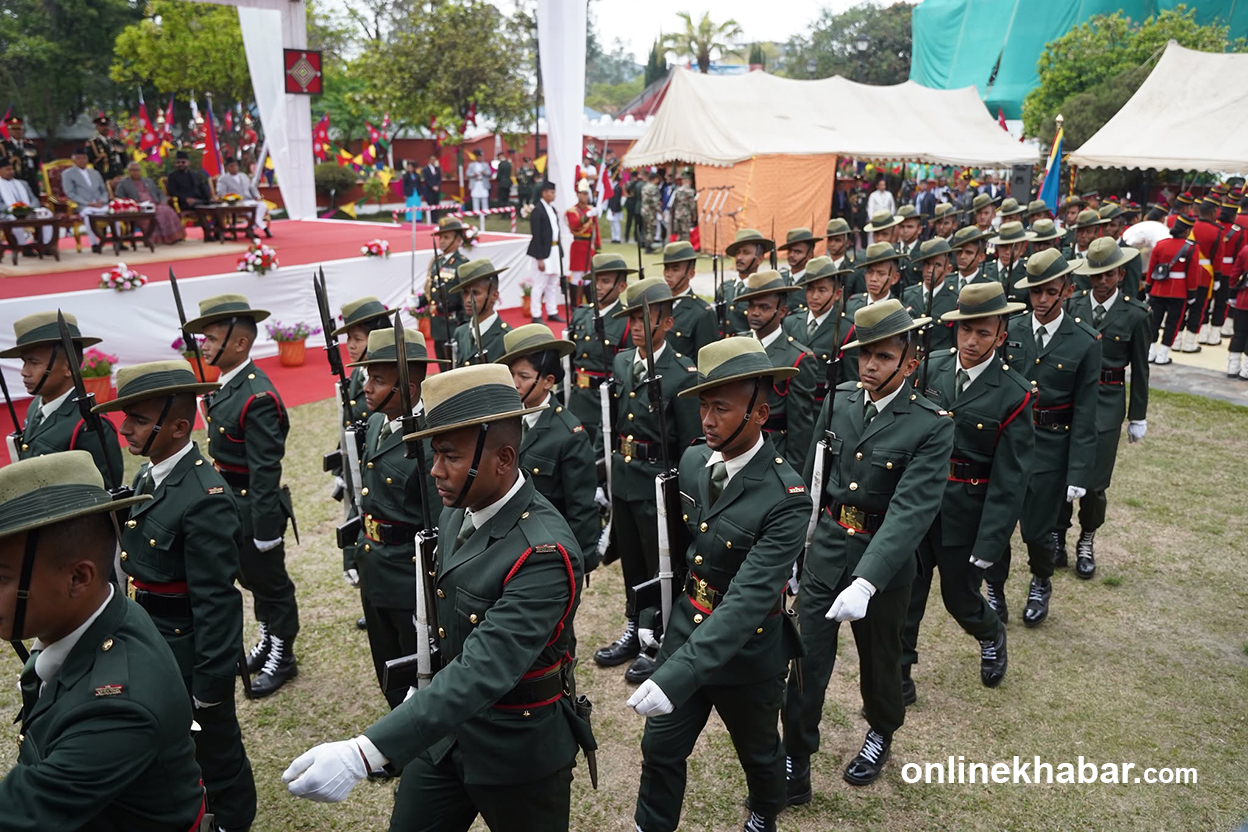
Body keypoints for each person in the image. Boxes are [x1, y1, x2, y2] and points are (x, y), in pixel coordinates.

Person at [283, 364, 593, 832]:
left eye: (449, 455)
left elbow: (484, 668)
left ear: (503, 459)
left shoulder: (543, 553)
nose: (435, 470)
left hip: (516, 747)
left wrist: (363, 753)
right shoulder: (458, 510)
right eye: (434, 454)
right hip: (445, 732)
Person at [630, 338, 810, 832]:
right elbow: (684, 554)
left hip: (748, 651)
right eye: (704, 406)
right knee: (659, 746)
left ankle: (765, 812)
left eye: (721, 408)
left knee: (759, 752)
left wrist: (675, 676)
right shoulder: (693, 462)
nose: (707, 420)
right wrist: (654, 613)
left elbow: (748, 602)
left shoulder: (787, 498)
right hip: (687, 628)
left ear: (760, 414)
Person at [783, 299, 954, 800]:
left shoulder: (931, 424)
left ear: (910, 361)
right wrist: (795, 548)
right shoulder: (839, 401)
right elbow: (814, 480)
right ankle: (796, 757)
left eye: (883, 356)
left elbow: (910, 512)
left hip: (883, 563)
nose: (870, 366)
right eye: (864, 354)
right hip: (827, 549)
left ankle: (881, 729)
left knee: (881, 661)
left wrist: (867, 581)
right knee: (805, 658)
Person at [0, 451, 209, 831]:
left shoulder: (115, 708)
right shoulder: (103, 611)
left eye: (1, 578)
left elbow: (21, 814)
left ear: (78, 578)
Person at [93, 360, 257, 830]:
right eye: (127, 417)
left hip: (187, 648)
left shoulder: (204, 497)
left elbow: (217, 603)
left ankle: (232, 819)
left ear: (179, 427)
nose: (125, 428)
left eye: (139, 419)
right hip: (152, 638)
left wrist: (210, 685)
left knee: (213, 746)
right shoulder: (152, 476)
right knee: (174, 742)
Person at [901, 283, 1032, 702]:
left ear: (1001, 335)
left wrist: (991, 542)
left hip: (967, 513)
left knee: (959, 598)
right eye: (965, 330)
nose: (971, 341)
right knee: (906, 594)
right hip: (920, 503)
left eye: (983, 332)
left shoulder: (1013, 393)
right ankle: (900, 676)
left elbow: (1010, 479)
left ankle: (990, 632)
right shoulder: (930, 368)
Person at [185, 294, 299, 697]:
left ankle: (283, 654)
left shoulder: (257, 395)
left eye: (212, 339)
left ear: (240, 343)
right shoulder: (227, 386)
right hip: (232, 504)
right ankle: (268, 638)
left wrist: (265, 529)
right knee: (252, 581)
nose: (204, 347)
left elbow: (265, 469)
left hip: (254, 507)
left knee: (272, 584)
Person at [592, 278, 701, 684]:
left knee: (662, 566)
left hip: (658, 482)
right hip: (625, 478)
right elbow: (613, 421)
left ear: (667, 322)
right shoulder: (622, 362)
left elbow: (691, 444)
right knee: (633, 561)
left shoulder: (682, 373)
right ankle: (634, 627)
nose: (636, 326)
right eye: (631, 319)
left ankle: (659, 637)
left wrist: (684, 496)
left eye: (645, 318)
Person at [983, 250, 1100, 627]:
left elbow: (1086, 412)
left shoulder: (1084, 341)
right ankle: (994, 590)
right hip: (1007, 444)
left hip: (1051, 447)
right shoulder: (1012, 329)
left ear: (1068, 290)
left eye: (1051, 291)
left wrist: (1078, 472)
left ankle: (1040, 580)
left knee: (1038, 530)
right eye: (1036, 292)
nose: (1043, 299)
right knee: (996, 525)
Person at [345, 327, 442, 708]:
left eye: (378, 380)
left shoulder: (431, 440)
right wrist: (353, 552)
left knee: (418, 667)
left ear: (409, 388)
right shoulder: (375, 424)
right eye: (368, 377)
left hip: (409, 577)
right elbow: (364, 497)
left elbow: (440, 525)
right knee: (385, 659)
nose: (366, 387)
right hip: (374, 564)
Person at [1059, 239, 1150, 577]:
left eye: (1108, 274)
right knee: (1061, 473)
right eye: (1095, 275)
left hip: (1106, 402)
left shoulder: (1136, 314)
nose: (1101, 281)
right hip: (1070, 400)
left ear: (1120, 274)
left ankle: (1087, 538)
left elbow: (1141, 369)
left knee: (1095, 483)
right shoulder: (1073, 306)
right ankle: (1057, 536)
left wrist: (1138, 415)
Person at [496, 324, 600, 570]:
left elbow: (581, 509)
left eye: (524, 377)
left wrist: (577, 562)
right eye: (511, 374)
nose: (515, 383)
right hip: (506, 544)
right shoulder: (505, 422)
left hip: (547, 548)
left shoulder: (569, 435)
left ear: (548, 381)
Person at [329, 296, 392, 631]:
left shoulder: (390, 377)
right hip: (358, 466)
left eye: (357, 338)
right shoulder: (357, 376)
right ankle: (371, 596)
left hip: (379, 467)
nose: (350, 346)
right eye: (348, 339)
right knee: (360, 529)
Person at [2, 311, 122, 481]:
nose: (24, 372)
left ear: (69, 368)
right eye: (24, 362)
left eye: (34, 363)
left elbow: (105, 489)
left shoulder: (90, 425)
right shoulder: (37, 406)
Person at [737, 270, 818, 471]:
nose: (755, 312)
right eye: (751, 306)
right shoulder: (736, 345)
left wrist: (793, 475)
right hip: (736, 453)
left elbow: (800, 429)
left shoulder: (798, 358)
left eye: (764, 307)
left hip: (773, 457)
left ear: (782, 311)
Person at [568, 252, 634, 458]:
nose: (597, 286)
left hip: (604, 402)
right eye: (595, 281)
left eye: (605, 281)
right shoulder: (581, 314)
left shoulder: (627, 321)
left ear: (621, 286)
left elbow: (628, 372)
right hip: (577, 399)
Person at [783, 256, 860, 391]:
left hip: (824, 400)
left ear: (837, 294)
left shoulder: (846, 329)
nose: (814, 296)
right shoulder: (791, 322)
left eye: (822, 290)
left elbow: (850, 381)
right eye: (810, 289)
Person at [426, 216, 473, 363]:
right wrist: (419, 301)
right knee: (442, 366)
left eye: (446, 237)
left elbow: (466, 296)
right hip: (438, 325)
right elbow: (433, 289)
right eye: (440, 237)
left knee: (456, 366)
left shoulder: (462, 264)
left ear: (458, 240)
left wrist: (466, 325)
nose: (442, 241)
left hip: (454, 324)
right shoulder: (437, 261)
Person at [661, 240, 718, 360]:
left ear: (691, 274)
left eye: (675, 269)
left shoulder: (702, 314)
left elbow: (707, 361)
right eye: (666, 268)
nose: (668, 274)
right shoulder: (658, 305)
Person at [903, 238, 961, 354]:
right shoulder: (908, 295)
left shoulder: (955, 300)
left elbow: (956, 342)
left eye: (937, 265)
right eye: (926, 264)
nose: (930, 270)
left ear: (948, 269)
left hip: (939, 361)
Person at [451, 258, 513, 365]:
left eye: (475, 293)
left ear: (494, 296)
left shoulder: (506, 338)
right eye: (465, 293)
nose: (468, 299)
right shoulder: (460, 333)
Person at [113, 161, 187, 245]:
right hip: (138, 208)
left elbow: (159, 193)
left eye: (137, 170)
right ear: (129, 171)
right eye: (133, 170)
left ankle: (173, 237)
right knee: (149, 216)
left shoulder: (148, 181)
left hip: (154, 205)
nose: (135, 172)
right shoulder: (123, 183)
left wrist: (162, 201)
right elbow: (119, 197)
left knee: (166, 210)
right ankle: (150, 239)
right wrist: (132, 205)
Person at [720, 229, 775, 336]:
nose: (739, 257)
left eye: (746, 253)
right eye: (737, 252)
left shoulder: (764, 290)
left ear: (759, 259)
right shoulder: (725, 287)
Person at [1185, 197, 1223, 349]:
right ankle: (1189, 343)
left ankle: (1176, 341)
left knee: (1183, 308)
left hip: (1186, 271)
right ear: (1213, 213)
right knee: (1199, 308)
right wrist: (1218, 277)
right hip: (1205, 274)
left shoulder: (1189, 226)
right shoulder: (1217, 231)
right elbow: (1218, 258)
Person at [61, 147, 111, 252]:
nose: (82, 160)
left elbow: (104, 190)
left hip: (100, 203)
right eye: (78, 158)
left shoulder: (95, 173)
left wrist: (102, 200)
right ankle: (94, 243)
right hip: (83, 205)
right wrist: (88, 203)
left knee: (113, 212)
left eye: (84, 158)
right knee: (89, 216)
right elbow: (70, 193)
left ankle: (118, 240)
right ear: (73, 160)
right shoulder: (67, 174)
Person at [527, 181, 562, 324]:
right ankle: (536, 314)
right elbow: (536, 235)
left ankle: (552, 311)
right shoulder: (538, 211)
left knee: (552, 283)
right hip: (542, 252)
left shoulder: (552, 209)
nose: (554, 195)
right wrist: (539, 258)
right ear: (544, 193)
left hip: (554, 250)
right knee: (540, 283)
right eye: (552, 192)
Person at [0, 157, 54, 251]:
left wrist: (29, 208)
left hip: (28, 211)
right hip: (7, 213)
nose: (11, 172)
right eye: (7, 169)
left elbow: (34, 199)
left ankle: (46, 245)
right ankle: (24, 246)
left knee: (47, 214)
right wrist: (14, 210)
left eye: (12, 169)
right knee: (13, 219)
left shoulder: (22, 183)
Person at [167, 151, 217, 241]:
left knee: (217, 206)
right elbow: (172, 192)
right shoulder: (172, 176)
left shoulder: (195, 174)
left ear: (188, 163)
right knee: (199, 207)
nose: (180, 164)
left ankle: (218, 233)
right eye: (178, 162)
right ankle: (208, 233)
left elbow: (202, 188)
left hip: (199, 200)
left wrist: (210, 198)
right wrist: (185, 199)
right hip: (184, 203)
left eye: (183, 162)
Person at [846, 242, 903, 320]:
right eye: (869, 272)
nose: (873, 279)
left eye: (881, 274)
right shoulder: (851, 305)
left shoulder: (900, 312)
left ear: (894, 278)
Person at [565, 180, 599, 310]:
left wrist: (597, 245)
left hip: (589, 246)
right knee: (577, 275)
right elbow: (575, 224)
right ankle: (574, 304)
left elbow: (596, 230)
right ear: (578, 195)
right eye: (583, 194)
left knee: (589, 275)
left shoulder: (591, 210)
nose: (585, 196)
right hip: (578, 246)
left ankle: (590, 302)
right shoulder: (572, 211)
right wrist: (587, 216)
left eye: (586, 194)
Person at [215, 158, 270, 238]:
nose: (234, 168)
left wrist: (257, 196)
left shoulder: (243, 175)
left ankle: (251, 227)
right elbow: (221, 193)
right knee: (251, 212)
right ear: (227, 168)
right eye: (231, 166)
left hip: (249, 200)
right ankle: (263, 228)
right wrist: (231, 199)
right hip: (237, 203)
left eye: (235, 166)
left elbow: (252, 188)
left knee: (262, 205)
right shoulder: (223, 179)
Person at [988, 221, 1034, 305]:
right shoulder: (984, 271)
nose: (1008, 252)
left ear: (1022, 250)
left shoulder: (1028, 274)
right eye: (1003, 246)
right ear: (997, 247)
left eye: (1014, 248)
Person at [2, 115, 42, 197]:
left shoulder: (31, 146)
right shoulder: (3, 146)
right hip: (12, 181)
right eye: (14, 129)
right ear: (9, 130)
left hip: (31, 181)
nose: (17, 131)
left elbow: (36, 164)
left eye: (19, 129)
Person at [949, 226, 996, 290]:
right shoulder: (945, 283)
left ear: (981, 257)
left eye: (968, 252)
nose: (962, 257)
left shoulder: (989, 287)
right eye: (959, 252)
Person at [87, 114, 127, 182]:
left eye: (107, 125)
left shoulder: (116, 141)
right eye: (102, 126)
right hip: (103, 177)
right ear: (97, 127)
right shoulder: (94, 143)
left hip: (119, 176)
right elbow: (90, 160)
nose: (105, 128)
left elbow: (124, 158)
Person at [670, 169, 697, 242]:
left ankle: (678, 245)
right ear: (689, 181)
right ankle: (685, 246)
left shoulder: (678, 191)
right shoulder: (690, 191)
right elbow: (692, 205)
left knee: (679, 233)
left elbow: (674, 203)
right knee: (685, 233)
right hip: (686, 214)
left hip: (678, 214)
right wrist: (694, 215)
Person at [865, 176, 895, 242]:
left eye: (884, 185)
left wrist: (891, 216)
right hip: (876, 219)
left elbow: (892, 207)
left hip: (886, 219)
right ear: (877, 186)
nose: (882, 186)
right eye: (881, 185)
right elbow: (870, 208)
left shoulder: (889, 194)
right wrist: (872, 219)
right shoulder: (873, 195)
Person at [641, 170, 662, 252]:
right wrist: (660, 211)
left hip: (644, 210)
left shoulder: (645, 186)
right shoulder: (653, 187)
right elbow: (655, 201)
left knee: (646, 228)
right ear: (655, 179)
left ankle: (646, 243)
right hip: (651, 211)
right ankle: (648, 246)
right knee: (652, 228)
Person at [467, 149, 491, 213]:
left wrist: (484, 173)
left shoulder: (485, 165)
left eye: (481, 157)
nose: (480, 158)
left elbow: (489, 173)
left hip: (483, 183)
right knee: (475, 198)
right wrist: (473, 174)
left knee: (484, 198)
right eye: (479, 157)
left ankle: (485, 212)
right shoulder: (471, 165)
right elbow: (468, 174)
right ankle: (476, 212)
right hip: (475, 183)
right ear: (476, 157)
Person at [421, 153, 443, 220]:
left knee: (436, 205)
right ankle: (431, 219)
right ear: (429, 160)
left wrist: (437, 186)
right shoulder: (425, 169)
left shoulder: (437, 169)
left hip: (437, 190)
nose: (433, 161)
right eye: (432, 160)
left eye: (434, 160)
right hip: (429, 190)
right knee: (431, 205)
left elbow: (439, 178)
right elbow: (426, 179)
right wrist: (432, 186)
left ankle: (436, 219)